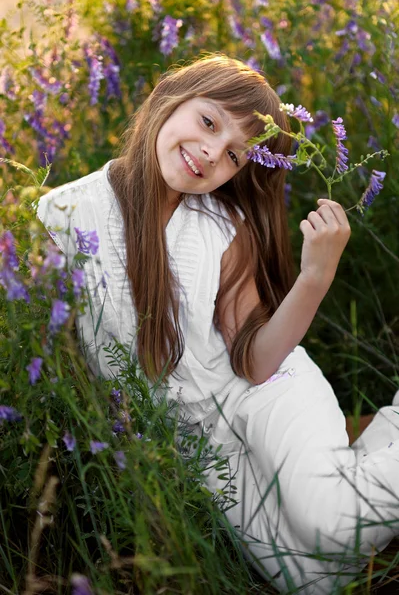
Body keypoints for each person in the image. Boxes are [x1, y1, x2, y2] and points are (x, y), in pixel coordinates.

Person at [36, 54, 399, 594]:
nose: (211, 152)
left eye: (234, 155)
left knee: (333, 523)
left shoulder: (221, 226)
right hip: (202, 447)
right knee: (318, 580)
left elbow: (254, 364)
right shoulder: (60, 215)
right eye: (208, 122)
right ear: (171, 97)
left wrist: (316, 276)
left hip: (267, 395)